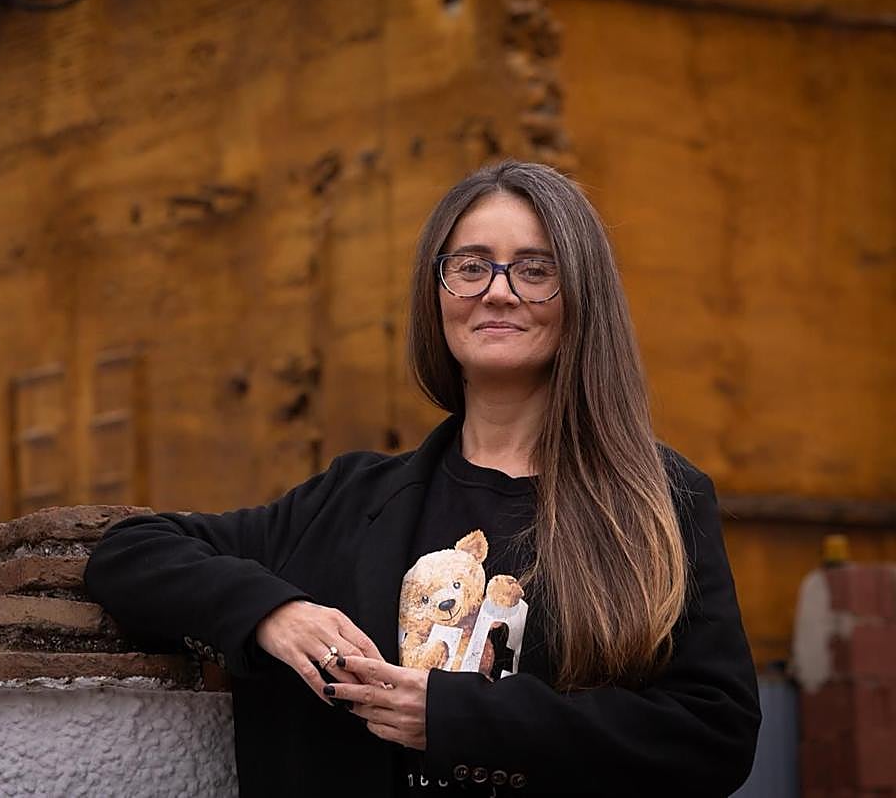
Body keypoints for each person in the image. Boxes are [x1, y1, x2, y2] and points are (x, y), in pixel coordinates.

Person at [84, 160, 760, 797]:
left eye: (534, 268)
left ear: (580, 295)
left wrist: (456, 719)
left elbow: (713, 734)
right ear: (436, 293)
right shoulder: (351, 499)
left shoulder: (657, 501)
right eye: (470, 266)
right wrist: (270, 612)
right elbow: (129, 552)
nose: (498, 289)